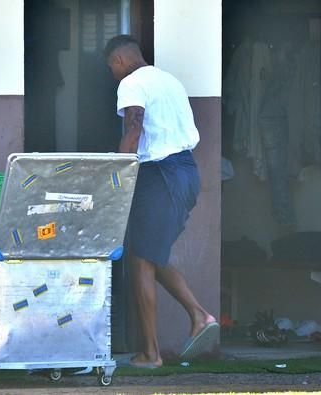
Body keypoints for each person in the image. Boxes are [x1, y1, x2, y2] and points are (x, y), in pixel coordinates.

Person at [104, 35, 219, 368]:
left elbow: (134, 127)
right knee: (150, 254)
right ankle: (199, 316)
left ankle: (151, 353)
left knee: (141, 260)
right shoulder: (169, 81)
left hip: (158, 174)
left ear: (119, 61)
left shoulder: (131, 83)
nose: (112, 74)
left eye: (111, 67)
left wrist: (116, 172)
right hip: (186, 171)